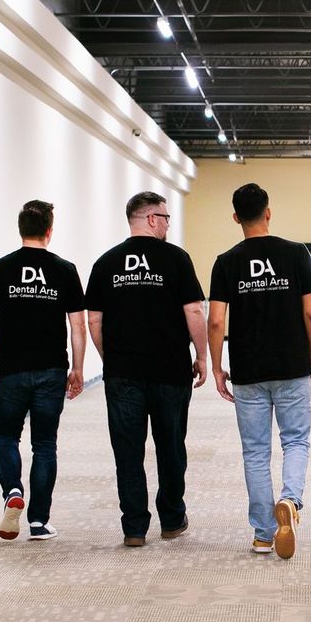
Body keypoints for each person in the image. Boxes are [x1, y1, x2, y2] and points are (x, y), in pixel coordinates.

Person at [86, 191, 208, 548]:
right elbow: (194, 312)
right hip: (170, 369)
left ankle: (134, 528)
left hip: (123, 371)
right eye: (166, 218)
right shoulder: (176, 259)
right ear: (152, 219)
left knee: (127, 449)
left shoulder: (106, 263)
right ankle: (171, 519)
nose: (168, 223)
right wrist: (202, 356)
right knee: (171, 446)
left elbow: (95, 319)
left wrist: (110, 356)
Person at [208, 184, 311, 558]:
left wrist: (217, 366)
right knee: (296, 441)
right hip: (291, 365)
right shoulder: (296, 253)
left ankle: (262, 533)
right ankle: (290, 500)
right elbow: (310, 312)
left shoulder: (226, 261)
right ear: (268, 213)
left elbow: (215, 321)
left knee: (255, 451)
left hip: (248, 369)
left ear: (236, 217)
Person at [0, 200, 86, 542]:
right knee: (45, 444)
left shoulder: (1, 268)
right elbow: (78, 327)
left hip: (12, 370)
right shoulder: (65, 270)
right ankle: (38, 521)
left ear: (21, 229)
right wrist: (78, 368)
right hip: (52, 370)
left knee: (6, 436)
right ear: (49, 231)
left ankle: (11, 490)